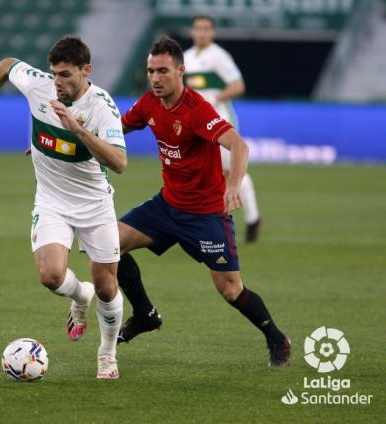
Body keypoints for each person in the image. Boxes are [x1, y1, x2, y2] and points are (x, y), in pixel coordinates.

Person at [0, 36, 127, 379]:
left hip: (94, 204)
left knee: (107, 286)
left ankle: (107, 352)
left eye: (66, 75)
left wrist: (78, 131)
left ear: (86, 71)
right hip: (52, 200)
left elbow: (119, 162)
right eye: (54, 74)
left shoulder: (102, 107)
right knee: (50, 276)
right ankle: (80, 294)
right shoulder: (41, 87)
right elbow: (6, 64)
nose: (57, 82)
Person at [115, 36, 290, 367]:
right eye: (151, 71)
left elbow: (239, 146)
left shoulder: (197, 110)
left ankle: (276, 337)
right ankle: (145, 314)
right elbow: (116, 128)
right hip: (166, 207)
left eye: (163, 71)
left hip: (206, 215)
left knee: (231, 290)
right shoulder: (149, 104)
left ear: (181, 71)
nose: (155, 78)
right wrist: (74, 139)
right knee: (109, 243)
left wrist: (233, 185)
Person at [183, 15, 261, 242]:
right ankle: (204, 225)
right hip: (195, 125)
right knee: (200, 172)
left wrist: (216, 96)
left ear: (213, 33)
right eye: (198, 28)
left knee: (231, 169)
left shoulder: (219, 56)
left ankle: (253, 218)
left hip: (220, 122)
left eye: (207, 29)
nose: (202, 33)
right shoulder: (186, 58)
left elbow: (238, 85)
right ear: (192, 31)